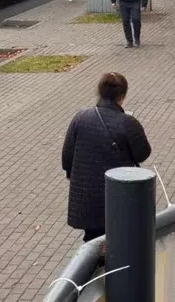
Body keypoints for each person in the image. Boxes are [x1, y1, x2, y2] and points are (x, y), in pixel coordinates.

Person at [62, 72, 152, 242]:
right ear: (122, 96)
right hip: (118, 194)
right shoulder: (128, 123)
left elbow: (67, 156)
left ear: (100, 92)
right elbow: (142, 154)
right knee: (119, 240)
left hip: (87, 198)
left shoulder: (80, 117)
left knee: (92, 242)